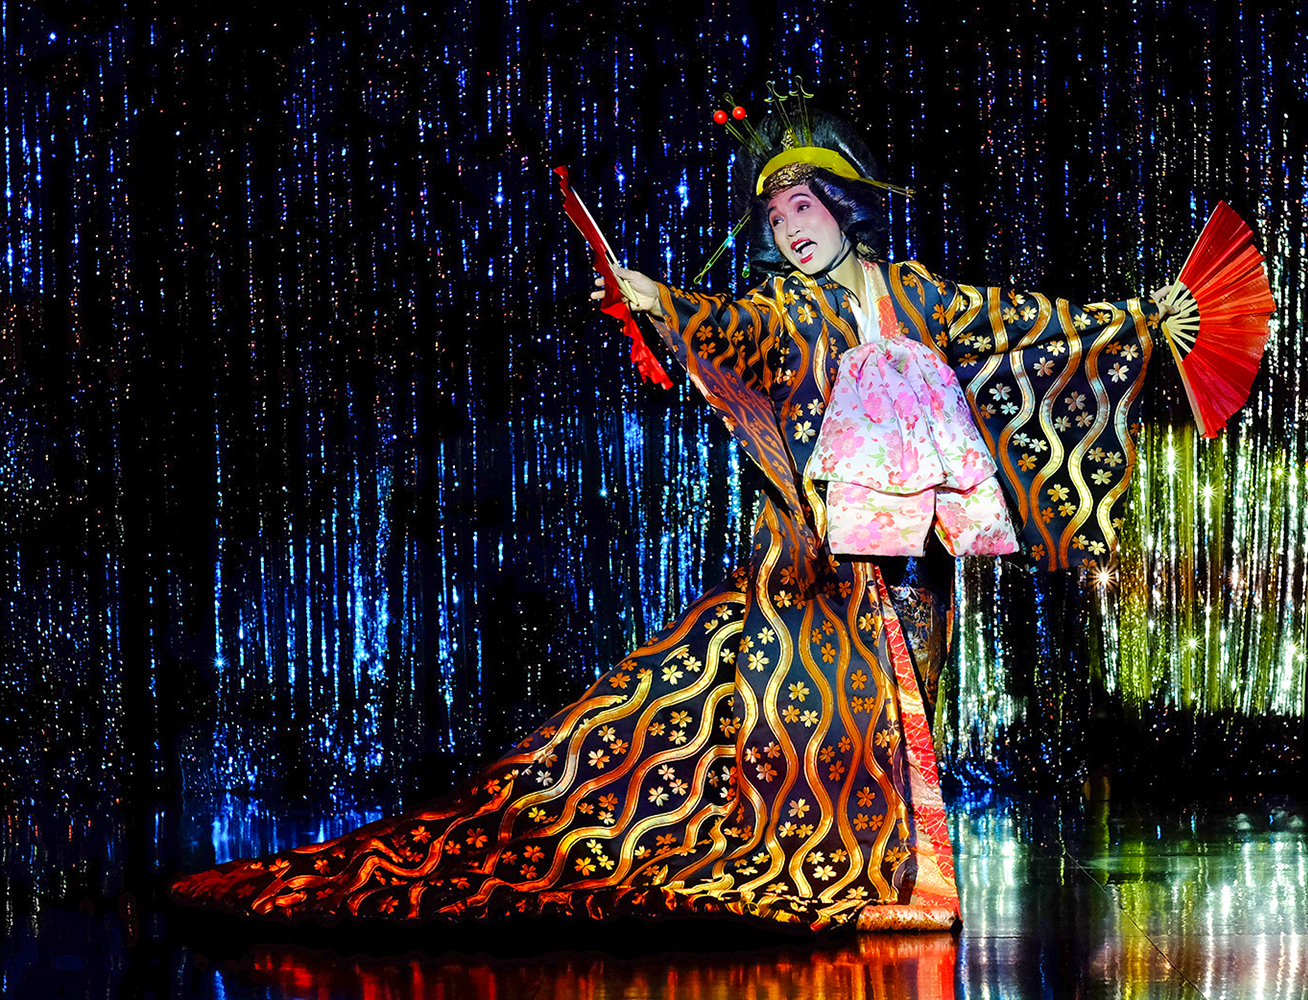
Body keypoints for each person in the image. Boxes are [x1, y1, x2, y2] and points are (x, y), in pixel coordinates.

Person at [169, 105, 1167, 935]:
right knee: (819, 722)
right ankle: (846, 879)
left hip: (916, 554)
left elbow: (1025, 323)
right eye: (776, 212)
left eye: (804, 203)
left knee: (910, 709)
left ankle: (896, 880)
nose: (789, 224)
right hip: (818, 560)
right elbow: (731, 326)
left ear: (846, 210)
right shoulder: (787, 307)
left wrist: (1141, 317)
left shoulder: (918, 296)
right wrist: (656, 294)